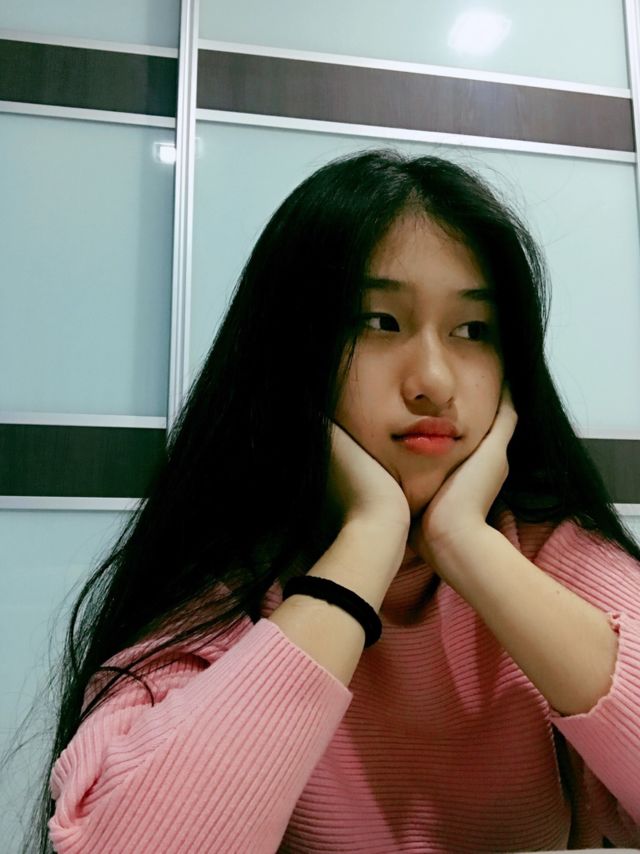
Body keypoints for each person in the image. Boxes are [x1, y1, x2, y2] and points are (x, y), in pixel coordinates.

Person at [27, 150, 640, 852]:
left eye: (474, 331)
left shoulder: (547, 553)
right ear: (293, 352)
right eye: (379, 321)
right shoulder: (225, 587)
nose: (434, 381)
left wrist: (468, 544)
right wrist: (367, 543)